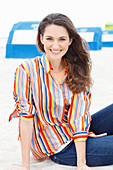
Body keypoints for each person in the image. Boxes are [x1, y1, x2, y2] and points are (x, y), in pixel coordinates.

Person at [9, 13, 113, 170]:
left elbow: (78, 117)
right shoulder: (27, 70)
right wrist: (25, 167)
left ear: (70, 40)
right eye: (50, 38)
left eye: (62, 39)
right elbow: (26, 118)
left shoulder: (76, 69)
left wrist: (81, 163)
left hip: (77, 131)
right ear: (41, 38)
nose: (55, 45)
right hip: (59, 148)